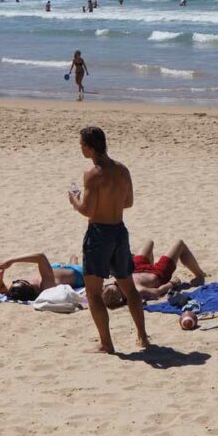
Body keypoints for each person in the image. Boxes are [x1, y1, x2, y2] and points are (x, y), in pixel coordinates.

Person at [68, 126, 148, 353]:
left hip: (99, 234)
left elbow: (87, 210)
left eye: (82, 144)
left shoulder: (92, 174)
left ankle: (106, 343)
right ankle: (142, 337)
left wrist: (74, 200)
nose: (80, 148)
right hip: (119, 231)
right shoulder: (122, 170)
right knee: (129, 288)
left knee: (93, 292)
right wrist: (110, 202)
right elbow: (128, 202)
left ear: (90, 147)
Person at [101, 239, 207, 307]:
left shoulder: (110, 285)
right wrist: (172, 283)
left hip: (136, 268)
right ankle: (199, 274)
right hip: (158, 273)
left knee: (149, 242)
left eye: (113, 284)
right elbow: (158, 292)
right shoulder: (137, 290)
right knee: (179, 244)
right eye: (116, 285)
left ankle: (150, 263)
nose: (115, 282)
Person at [0, 253, 84, 301]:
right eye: (24, 281)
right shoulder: (46, 286)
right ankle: (73, 262)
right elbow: (40, 256)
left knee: (63, 266)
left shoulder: (17, 288)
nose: (23, 280)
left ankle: (72, 262)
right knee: (75, 266)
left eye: (17, 281)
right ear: (31, 287)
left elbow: (0, 289)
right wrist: (12, 260)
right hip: (78, 273)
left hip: (52, 268)